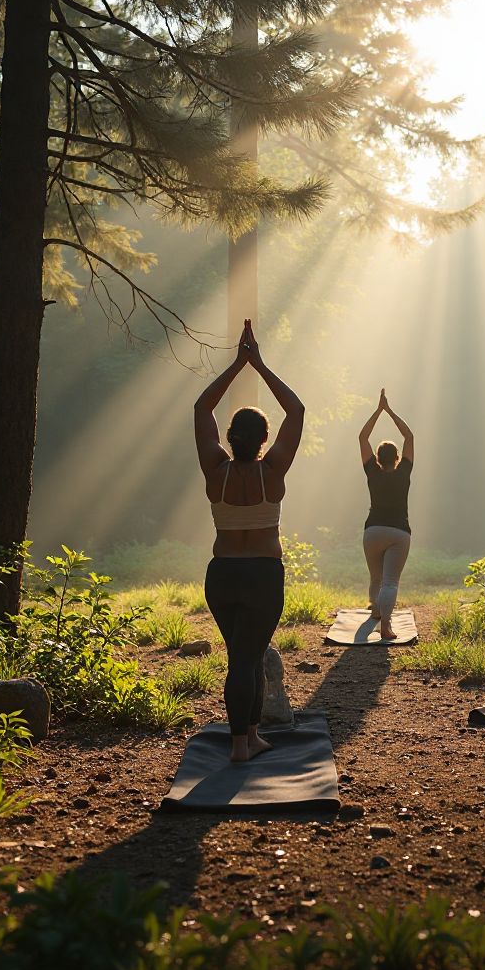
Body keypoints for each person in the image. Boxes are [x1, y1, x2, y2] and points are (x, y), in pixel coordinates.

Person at [194, 319, 304, 761]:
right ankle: (240, 744)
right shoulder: (271, 472)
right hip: (261, 575)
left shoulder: (214, 471)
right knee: (245, 658)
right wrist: (258, 365)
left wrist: (237, 365)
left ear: (229, 438)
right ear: (263, 439)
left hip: (221, 576)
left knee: (246, 655)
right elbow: (295, 411)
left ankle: (251, 734)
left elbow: (203, 409)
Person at [357, 388, 414, 640]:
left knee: (376, 577)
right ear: (398, 458)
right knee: (390, 582)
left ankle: (377, 611)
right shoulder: (404, 472)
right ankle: (386, 626)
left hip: (373, 531)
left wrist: (378, 411)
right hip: (399, 532)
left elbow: (362, 437)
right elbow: (409, 436)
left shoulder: (372, 472)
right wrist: (390, 412)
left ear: (378, 458)